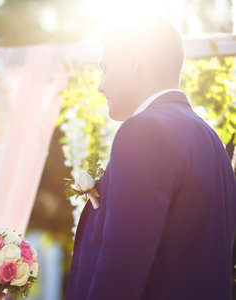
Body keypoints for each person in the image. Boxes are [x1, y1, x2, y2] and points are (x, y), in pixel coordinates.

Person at [67, 16, 236, 299]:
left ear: (132, 59)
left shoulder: (143, 132)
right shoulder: (212, 141)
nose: (100, 86)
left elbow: (120, 269)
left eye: (105, 69)